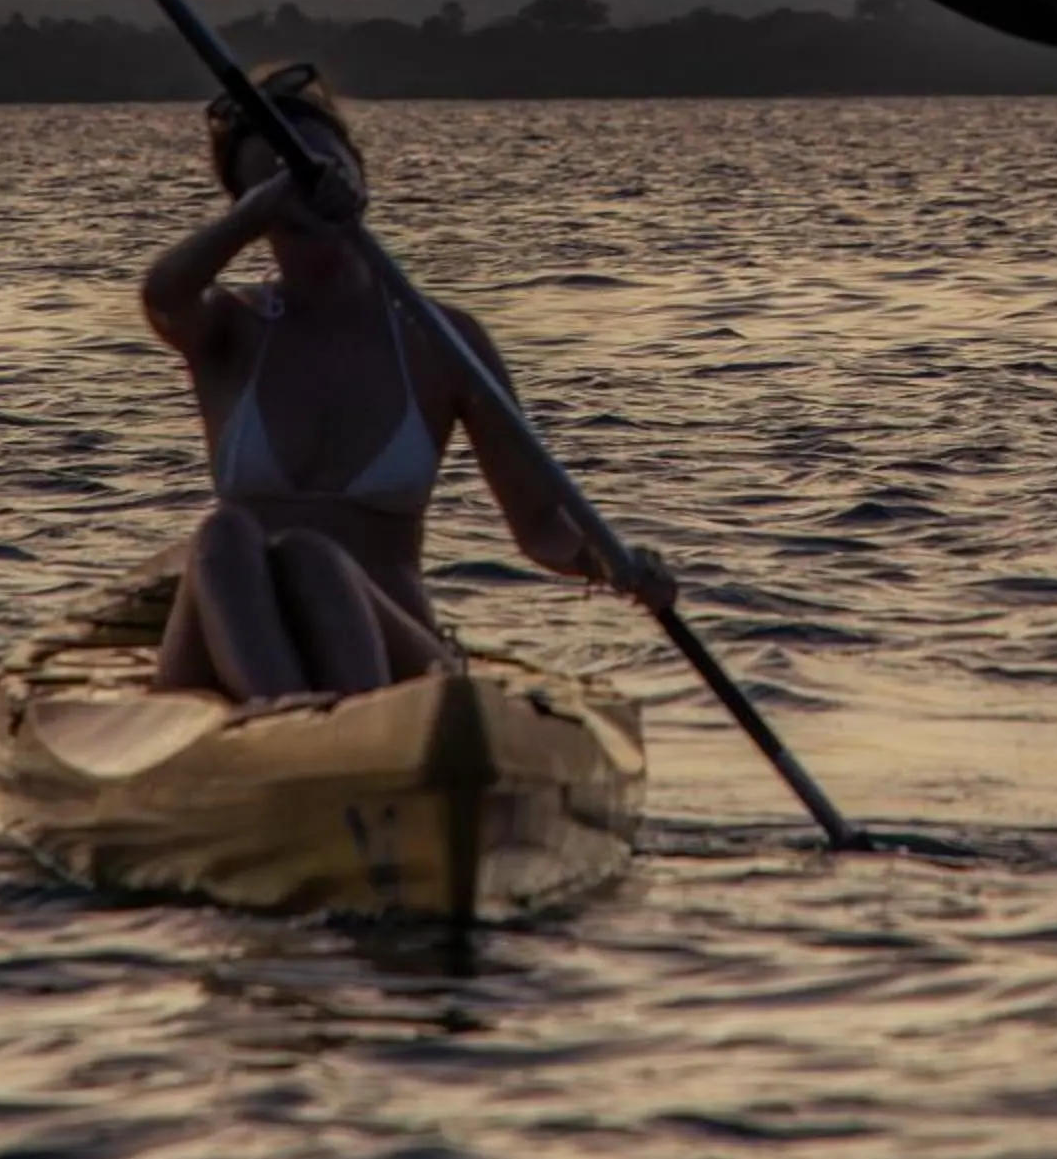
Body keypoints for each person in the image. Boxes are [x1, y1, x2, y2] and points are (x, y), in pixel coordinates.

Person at [142, 64, 672, 700]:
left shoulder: (441, 341)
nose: (308, 187)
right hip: (235, 652)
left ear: (357, 173)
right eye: (280, 181)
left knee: (315, 561)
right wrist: (265, 205)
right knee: (222, 534)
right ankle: (281, 716)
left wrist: (610, 563)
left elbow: (540, 524)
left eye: (322, 168)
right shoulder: (229, 327)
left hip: (387, 652)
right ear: (250, 208)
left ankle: (335, 732)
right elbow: (164, 294)